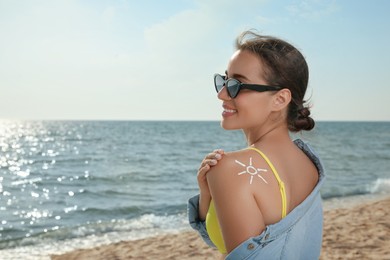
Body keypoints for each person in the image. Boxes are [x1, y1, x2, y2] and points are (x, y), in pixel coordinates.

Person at [187, 30, 326, 260]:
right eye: (224, 80)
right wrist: (207, 195)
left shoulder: (229, 169)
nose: (222, 94)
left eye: (237, 85)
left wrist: (221, 179)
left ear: (280, 99)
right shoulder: (309, 163)